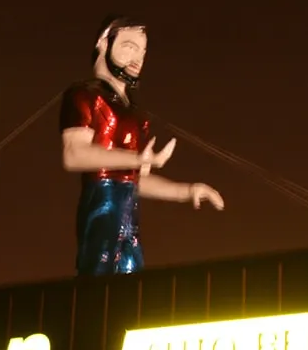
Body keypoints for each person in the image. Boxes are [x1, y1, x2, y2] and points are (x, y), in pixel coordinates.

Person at [59, 15, 225, 276]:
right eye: (129, 47)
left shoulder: (135, 115)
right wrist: (137, 159)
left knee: (133, 293)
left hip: (129, 222)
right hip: (101, 209)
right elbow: (74, 154)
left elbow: (137, 181)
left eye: (143, 51)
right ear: (104, 43)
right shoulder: (84, 95)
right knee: (97, 283)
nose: (138, 59)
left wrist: (186, 190)